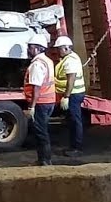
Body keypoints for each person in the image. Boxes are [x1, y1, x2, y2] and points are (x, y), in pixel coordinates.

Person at [24, 33, 56, 166]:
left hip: (41, 103)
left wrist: (32, 107)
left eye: (30, 47)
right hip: (49, 101)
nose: (28, 50)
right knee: (42, 131)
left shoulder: (36, 65)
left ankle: (44, 161)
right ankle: (45, 159)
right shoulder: (47, 61)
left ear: (37, 48)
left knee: (41, 133)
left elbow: (36, 88)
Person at [53, 36, 86, 157]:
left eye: (60, 48)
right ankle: (73, 146)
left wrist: (66, 96)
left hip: (73, 95)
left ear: (67, 47)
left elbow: (71, 79)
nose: (58, 51)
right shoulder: (67, 58)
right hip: (73, 94)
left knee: (75, 121)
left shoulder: (70, 60)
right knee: (72, 121)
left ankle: (77, 148)